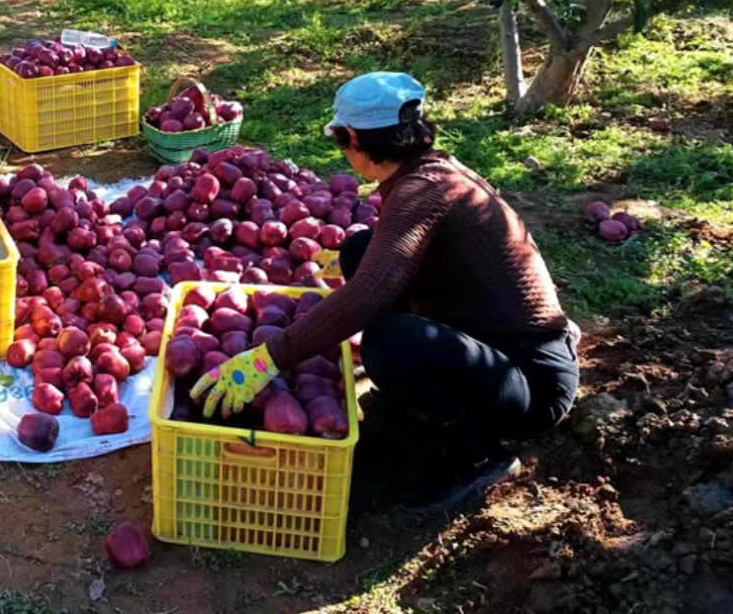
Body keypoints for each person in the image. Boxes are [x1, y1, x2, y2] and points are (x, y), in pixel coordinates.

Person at [192, 72, 580, 514]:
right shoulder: (434, 170)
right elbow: (381, 269)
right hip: (500, 349)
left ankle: (480, 456)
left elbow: (370, 296)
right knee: (362, 249)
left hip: (532, 389)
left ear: (354, 137)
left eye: (341, 138)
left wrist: (266, 359)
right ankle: (427, 395)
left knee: (390, 344)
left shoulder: (421, 194)